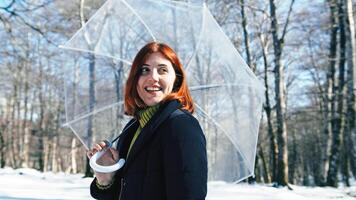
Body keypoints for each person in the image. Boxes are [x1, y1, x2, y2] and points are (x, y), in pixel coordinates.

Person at [87, 42, 207, 200]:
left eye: (162, 70)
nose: (153, 78)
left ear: (176, 80)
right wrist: (106, 179)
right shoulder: (132, 127)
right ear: (136, 80)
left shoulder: (182, 126)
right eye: (144, 70)